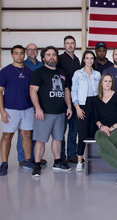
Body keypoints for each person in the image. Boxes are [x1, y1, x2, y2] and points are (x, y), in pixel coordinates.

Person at [30, 46, 73, 177]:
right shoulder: (39, 72)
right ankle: (37, 165)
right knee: (40, 140)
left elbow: (66, 91)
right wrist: (37, 108)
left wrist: (69, 107)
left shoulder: (62, 72)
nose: (52, 57)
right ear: (43, 58)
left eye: (54, 54)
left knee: (58, 139)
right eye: (48, 55)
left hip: (60, 112)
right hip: (44, 113)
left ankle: (58, 162)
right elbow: (33, 91)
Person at [0, 45, 34, 176]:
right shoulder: (5, 71)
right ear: (12, 55)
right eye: (16, 53)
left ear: (24, 55)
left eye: (21, 53)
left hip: (27, 108)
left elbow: (33, 92)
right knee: (7, 135)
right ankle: (4, 163)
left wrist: (34, 108)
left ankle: (28, 160)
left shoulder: (29, 72)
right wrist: (2, 111)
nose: (19, 56)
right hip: (10, 109)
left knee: (27, 135)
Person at [71, 50, 101, 172]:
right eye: (87, 58)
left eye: (91, 58)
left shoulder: (98, 74)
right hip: (83, 105)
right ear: (83, 59)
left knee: (94, 132)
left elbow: (101, 90)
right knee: (82, 133)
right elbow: (74, 91)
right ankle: (79, 161)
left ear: (94, 60)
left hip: (95, 104)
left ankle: (94, 159)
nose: (89, 60)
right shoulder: (78, 74)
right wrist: (77, 107)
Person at [17, 43, 44, 167]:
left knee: (36, 132)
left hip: (39, 102)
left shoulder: (41, 65)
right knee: (24, 132)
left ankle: (34, 157)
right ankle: (23, 158)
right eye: (30, 50)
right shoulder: (22, 65)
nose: (32, 52)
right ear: (26, 52)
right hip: (25, 103)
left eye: (34, 50)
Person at [57, 35, 80, 164]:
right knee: (61, 129)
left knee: (74, 129)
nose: (70, 45)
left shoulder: (77, 60)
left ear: (75, 45)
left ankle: (72, 154)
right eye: (67, 43)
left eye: (72, 43)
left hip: (75, 98)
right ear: (64, 45)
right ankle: (61, 155)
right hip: (62, 98)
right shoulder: (59, 59)